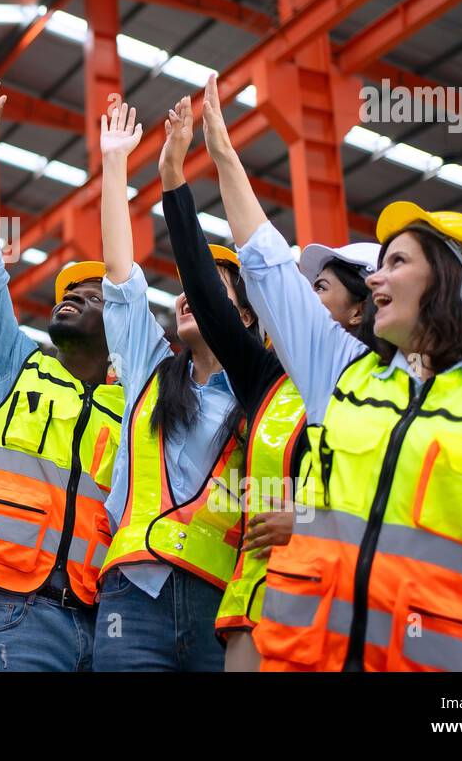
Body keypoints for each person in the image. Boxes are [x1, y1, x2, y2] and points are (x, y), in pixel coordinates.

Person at [201, 74, 462, 672]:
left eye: (397, 262)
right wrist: (223, 155)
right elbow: (267, 269)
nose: (375, 277)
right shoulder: (342, 376)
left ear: (452, 285)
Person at [155, 82, 378, 671]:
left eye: (319, 287)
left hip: (349, 600)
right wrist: (176, 183)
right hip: (258, 599)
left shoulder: (393, 393)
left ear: (364, 308)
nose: (299, 297)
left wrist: (310, 524)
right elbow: (208, 293)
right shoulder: (266, 377)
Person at [0, 78, 125, 672]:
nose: (71, 296)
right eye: (67, 291)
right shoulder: (12, 369)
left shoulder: (138, 408)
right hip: (18, 614)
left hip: (109, 619)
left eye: (92, 295)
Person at [92, 99, 251, 672]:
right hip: (133, 597)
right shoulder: (148, 369)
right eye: (186, 285)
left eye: (209, 288)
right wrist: (115, 163)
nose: (189, 294)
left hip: (220, 599)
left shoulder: (263, 397)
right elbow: (120, 277)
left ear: (245, 318)